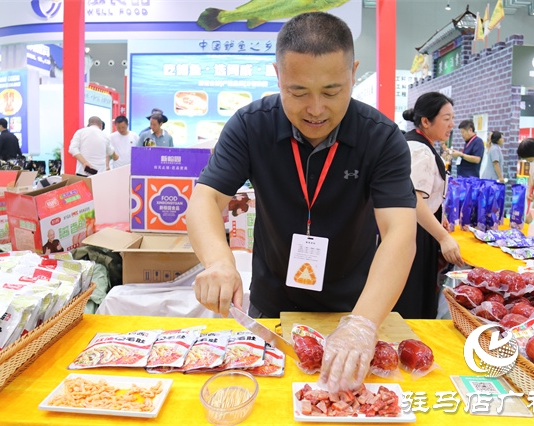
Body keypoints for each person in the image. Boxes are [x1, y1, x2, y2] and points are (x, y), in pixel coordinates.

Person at [186, 12, 417, 393]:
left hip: (357, 304)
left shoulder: (381, 137)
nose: (315, 109)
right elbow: (205, 198)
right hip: (272, 306)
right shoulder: (250, 125)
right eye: (297, 92)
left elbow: (400, 232)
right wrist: (219, 262)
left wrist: (362, 323)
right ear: (277, 75)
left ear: (353, 73)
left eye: (331, 91)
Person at [394, 92, 464, 319]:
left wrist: (437, 215)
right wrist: (443, 237)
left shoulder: (417, 144)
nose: (452, 125)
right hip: (414, 233)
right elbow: (413, 200)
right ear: (426, 121)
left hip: (415, 229)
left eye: (452, 118)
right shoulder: (420, 150)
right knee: (412, 300)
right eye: (446, 118)